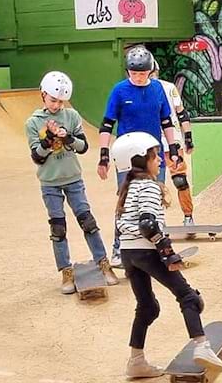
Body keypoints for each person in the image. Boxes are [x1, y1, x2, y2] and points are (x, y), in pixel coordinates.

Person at [111, 131, 222, 378]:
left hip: (129, 253)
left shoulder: (126, 188)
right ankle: (201, 345)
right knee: (189, 297)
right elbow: (148, 225)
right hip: (146, 250)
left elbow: (121, 225)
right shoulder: (149, 187)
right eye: (155, 156)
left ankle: (136, 361)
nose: (160, 160)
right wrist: (168, 254)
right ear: (140, 160)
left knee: (147, 307)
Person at [25, 71, 119, 294]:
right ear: (43, 95)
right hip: (50, 182)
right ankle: (66, 271)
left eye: (61, 101)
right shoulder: (33, 122)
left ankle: (103, 264)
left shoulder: (72, 116)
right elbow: (36, 157)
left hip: (73, 179)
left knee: (87, 221)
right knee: (58, 228)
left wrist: (67, 138)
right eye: (53, 100)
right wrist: (48, 140)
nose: (57, 105)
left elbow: (83, 147)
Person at [97, 44, 182, 267]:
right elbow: (107, 124)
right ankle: (119, 249)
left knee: (155, 200)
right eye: (133, 73)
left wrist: (173, 150)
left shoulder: (157, 90)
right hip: (127, 154)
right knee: (126, 201)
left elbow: (166, 121)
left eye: (142, 73)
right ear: (128, 72)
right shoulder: (119, 90)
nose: (137, 77)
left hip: (152, 153)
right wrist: (104, 156)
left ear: (150, 71)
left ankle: (159, 248)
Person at [151, 59, 196, 229]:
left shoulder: (169, 87)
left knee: (179, 180)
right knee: (155, 184)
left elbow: (182, 113)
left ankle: (188, 216)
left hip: (173, 141)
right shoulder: (139, 91)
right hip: (153, 143)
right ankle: (156, 219)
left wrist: (188, 137)